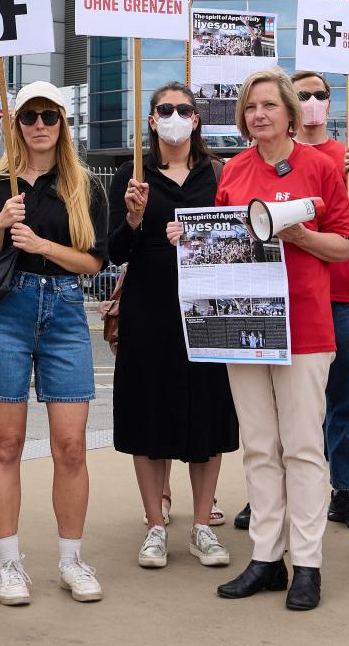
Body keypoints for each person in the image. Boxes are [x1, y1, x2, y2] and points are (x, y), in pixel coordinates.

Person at [181, 69, 349, 613]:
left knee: (302, 447)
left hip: (304, 326)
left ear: (289, 112)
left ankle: (307, 564)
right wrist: (188, 236)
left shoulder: (322, 167)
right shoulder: (232, 170)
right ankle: (265, 558)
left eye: (269, 106)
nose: (259, 115)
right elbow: (222, 243)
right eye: (251, 107)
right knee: (259, 446)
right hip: (246, 325)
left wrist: (302, 236)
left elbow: (345, 249)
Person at [0, 80, 109, 606]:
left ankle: (71, 559)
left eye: (50, 116)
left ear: (62, 124)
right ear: (17, 124)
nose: (41, 125)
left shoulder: (84, 185)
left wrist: (44, 245)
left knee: (71, 446)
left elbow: (95, 262)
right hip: (9, 311)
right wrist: (2, 223)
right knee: (5, 446)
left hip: (67, 310)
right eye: (30, 116)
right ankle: (9, 564)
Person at [106, 83, 235, 572]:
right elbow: (113, 251)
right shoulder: (131, 175)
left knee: (208, 413)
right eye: (166, 109)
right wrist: (135, 220)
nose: (176, 116)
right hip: (150, 309)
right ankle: (154, 525)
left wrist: (202, 238)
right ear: (153, 119)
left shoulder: (220, 174)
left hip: (206, 308)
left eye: (185, 109)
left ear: (198, 120)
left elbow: (240, 235)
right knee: (149, 413)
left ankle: (202, 525)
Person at [293, 70, 349, 533]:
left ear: (331, 101)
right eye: (302, 94)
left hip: (341, 293)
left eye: (319, 95)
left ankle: (343, 490)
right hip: (293, 297)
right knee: (284, 402)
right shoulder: (278, 156)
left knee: (344, 398)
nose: (310, 102)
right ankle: (276, 490)